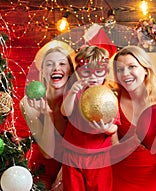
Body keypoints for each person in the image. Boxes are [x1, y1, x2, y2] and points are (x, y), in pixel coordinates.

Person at [111, 45, 156, 191]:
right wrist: (138, 138)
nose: (125, 73)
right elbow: (112, 153)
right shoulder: (112, 101)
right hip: (119, 183)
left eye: (132, 66)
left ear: (145, 70)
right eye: (119, 69)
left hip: (153, 184)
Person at [60, 45, 119, 191]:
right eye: (87, 72)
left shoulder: (108, 96)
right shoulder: (76, 92)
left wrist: (108, 128)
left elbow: (115, 125)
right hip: (73, 154)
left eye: (98, 72)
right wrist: (73, 92)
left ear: (105, 73)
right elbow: (65, 112)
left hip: (100, 156)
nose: (92, 77)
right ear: (79, 72)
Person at [20, 40, 75, 190]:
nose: (56, 68)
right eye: (50, 64)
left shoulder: (77, 99)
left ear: (70, 70)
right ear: (42, 71)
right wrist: (48, 115)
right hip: (41, 170)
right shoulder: (29, 102)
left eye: (62, 64)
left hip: (72, 169)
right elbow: (47, 152)